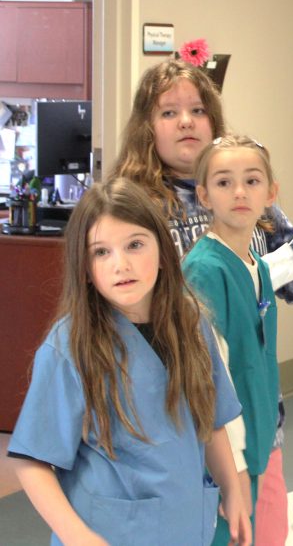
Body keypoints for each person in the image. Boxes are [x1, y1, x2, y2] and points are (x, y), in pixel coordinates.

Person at [110, 60, 293, 544]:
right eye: (169, 112)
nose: (187, 121)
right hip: (179, 413)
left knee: (265, 523)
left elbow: (271, 286)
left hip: (255, 408)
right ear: (147, 127)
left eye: (197, 109)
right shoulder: (134, 206)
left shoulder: (244, 186)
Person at [6, 178, 250, 545]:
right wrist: (78, 537)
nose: (121, 264)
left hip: (183, 528)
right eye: (101, 252)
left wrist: (231, 488)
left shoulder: (192, 324)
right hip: (108, 534)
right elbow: (32, 461)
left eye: (135, 245)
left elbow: (209, 420)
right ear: (85, 269)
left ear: (163, 252)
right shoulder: (71, 346)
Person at [183, 135, 283, 545]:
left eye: (252, 181)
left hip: (255, 440)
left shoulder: (254, 265)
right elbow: (210, 380)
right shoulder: (205, 270)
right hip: (223, 455)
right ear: (204, 195)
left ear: (271, 193)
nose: (239, 192)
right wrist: (234, 471)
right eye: (224, 183)